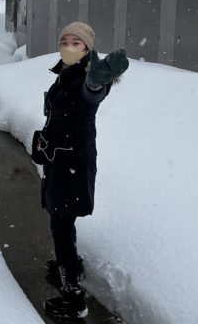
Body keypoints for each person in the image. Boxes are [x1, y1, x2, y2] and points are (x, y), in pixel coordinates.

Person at [36, 22, 129, 319]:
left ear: (87, 48)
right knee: (59, 217)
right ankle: (70, 265)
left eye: (76, 42)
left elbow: (92, 93)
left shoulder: (89, 76)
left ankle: (73, 296)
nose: (68, 46)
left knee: (62, 224)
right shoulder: (65, 73)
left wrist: (97, 82)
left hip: (73, 163)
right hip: (60, 160)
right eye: (64, 40)